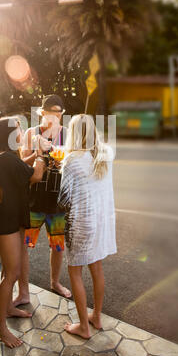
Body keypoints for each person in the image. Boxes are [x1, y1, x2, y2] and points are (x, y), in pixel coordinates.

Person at [58, 114, 117, 339]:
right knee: (97, 269)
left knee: (75, 272)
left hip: (80, 225)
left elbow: (63, 199)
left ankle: (83, 326)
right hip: (101, 222)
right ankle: (97, 317)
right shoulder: (106, 154)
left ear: (74, 133)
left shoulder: (72, 159)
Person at [0, 116, 45, 348]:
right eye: (18, 130)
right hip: (7, 224)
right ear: (9, 135)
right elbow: (35, 175)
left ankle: (10, 308)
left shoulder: (6, 158)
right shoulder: (5, 159)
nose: (22, 134)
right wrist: (41, 154)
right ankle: (1, 328)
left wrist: (32, 157)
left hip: (14, 220)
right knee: (10, 274)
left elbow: (23, 166)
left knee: (12, 269)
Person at [13, 94, 72, 306]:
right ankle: (24, 291)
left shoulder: (67, 134)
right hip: (34, 201)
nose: (55, 116)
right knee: (25, 246)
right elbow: (22, 165)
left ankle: (55, 282)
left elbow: (73, 165)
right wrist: (38, 153)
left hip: (57, 202)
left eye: (58, 112)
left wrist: (63, 160)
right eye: (51, 112)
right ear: (43, 113)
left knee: (57, 246)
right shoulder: (31, 133)